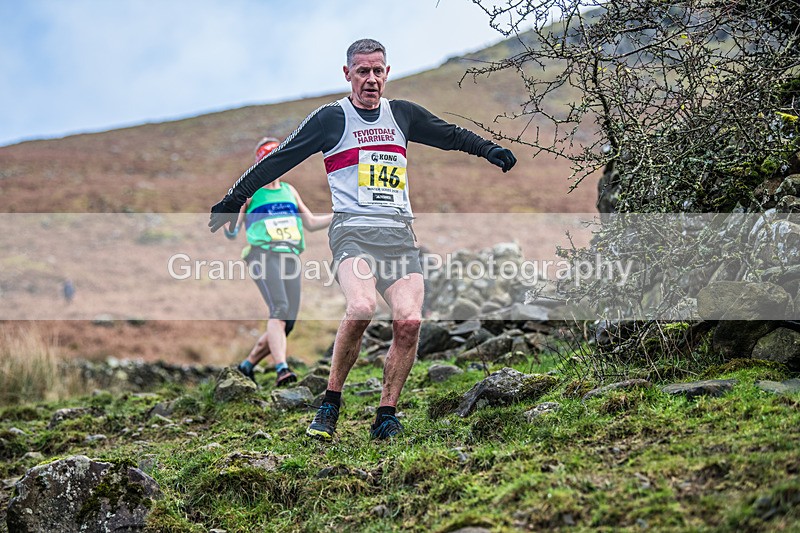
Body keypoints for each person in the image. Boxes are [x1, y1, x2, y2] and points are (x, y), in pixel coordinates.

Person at [210, 39, 517, 440]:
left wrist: (489, 149)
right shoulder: (330, 119)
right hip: (352, 231)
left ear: (387, 73)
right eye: (362, 71)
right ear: (347, 74)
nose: (370, 79)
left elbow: (451, 135)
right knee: (361, 306)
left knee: (408, 321)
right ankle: (329, 404)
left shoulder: (402, 114)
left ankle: (386, 414)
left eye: (378, 71)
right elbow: (280, 158)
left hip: (398, 235)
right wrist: (234, 198)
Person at [230, 137, 332, 387]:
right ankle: (282, 369)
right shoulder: (250, 191)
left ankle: (247, 366)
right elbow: (231, 230)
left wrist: (341, 214)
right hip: (262, 254)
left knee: (288, 323)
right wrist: (236, 211)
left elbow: (310, 223)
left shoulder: (289, 190)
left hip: (290, 256)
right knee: (279, 309)